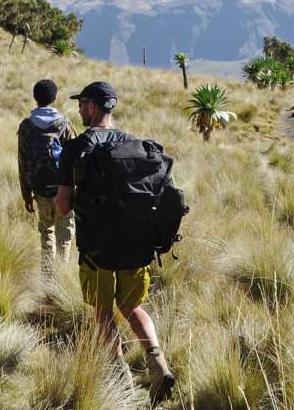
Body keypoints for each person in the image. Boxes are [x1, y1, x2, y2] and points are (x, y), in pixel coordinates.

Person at [54, 81, 177, 404]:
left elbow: (63, 206)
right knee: (132, 306)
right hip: (136, 246)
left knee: (103, 311)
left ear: (93, 107)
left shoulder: (75, 149)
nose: (79, 109)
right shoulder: (136, 146)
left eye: (82, 104)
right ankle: (157, 361)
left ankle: (120, 376)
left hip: (96, 249)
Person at [18, 79, 75, 267]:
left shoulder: (26, 126)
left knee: (46, 230)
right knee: (64, 232)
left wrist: (26, 194)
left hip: (40, 188)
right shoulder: (64, 125)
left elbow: (23, 162)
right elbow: (75, 161)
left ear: (35, 98)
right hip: (63, 190)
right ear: (55, 97)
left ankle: (48, 277)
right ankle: (62, 276)